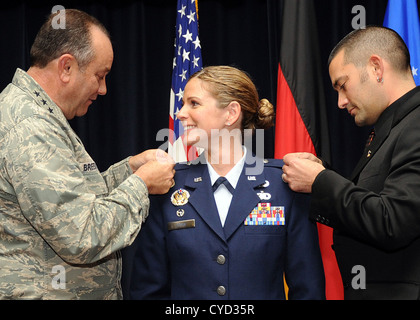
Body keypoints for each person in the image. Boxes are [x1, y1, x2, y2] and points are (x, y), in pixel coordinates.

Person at [0, 9, 175, 299]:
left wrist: (129, 171)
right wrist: (142, 185)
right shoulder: (32, 128)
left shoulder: (35, 114)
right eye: (100, 75)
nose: (103, 89)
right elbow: (82, 235)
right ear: (66, 67)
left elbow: (72, 200)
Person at [122, 65, 325, 300]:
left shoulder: (283, 185)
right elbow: (147, 291)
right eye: (182, 104)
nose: (180, 114)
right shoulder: (168, 186)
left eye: (194, 103)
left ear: (231, 113)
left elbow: (308, 289)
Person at [282, 26, 420, 299]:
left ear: (376, 68)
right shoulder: (393, 128)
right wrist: (321, 174)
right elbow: (374, 201)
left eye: (342, 85)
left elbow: (393, 222)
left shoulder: (415, 124)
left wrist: (320, 181)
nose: (340, 102)